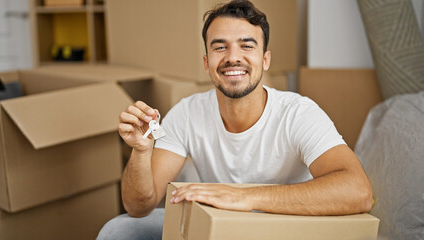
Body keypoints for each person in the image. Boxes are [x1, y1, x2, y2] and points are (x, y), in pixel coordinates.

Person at [97, 0, 373, 239]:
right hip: (218, 226)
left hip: (285, 225)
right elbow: (138, 206)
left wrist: (244, 196)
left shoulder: (298, 113)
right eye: (220, 47)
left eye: (246, 46)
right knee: (119, 231)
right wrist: (141, 151)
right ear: (206, 62)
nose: (233, 57)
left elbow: (358, 191)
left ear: (265, 60)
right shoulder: (187, 112)